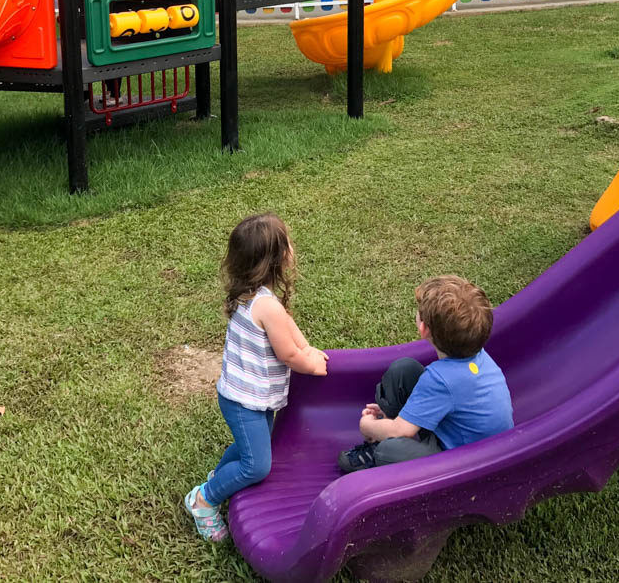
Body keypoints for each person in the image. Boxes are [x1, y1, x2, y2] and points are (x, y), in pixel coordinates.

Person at [184, 214, 329, 543]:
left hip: (248, 394)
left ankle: (221, 476)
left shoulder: (252, 294)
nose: (293, 246)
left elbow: (290, 331)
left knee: (250, 448)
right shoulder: (267, 306)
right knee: (257, 465)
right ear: (276, 259)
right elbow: (287, 354)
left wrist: (307, 346)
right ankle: (204, 499)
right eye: (288, 242)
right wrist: (311, 362)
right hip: (243, 400)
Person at [338, 275, 513, 472]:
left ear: (423, 329)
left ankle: (378, 449)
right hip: (464, 435)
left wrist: (367, 427)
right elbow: (448, 397)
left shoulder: (440, 379)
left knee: (388, 451)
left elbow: (400, 430)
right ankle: (396, 427)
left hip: (466, 461)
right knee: (404, 370)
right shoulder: (476, 355)